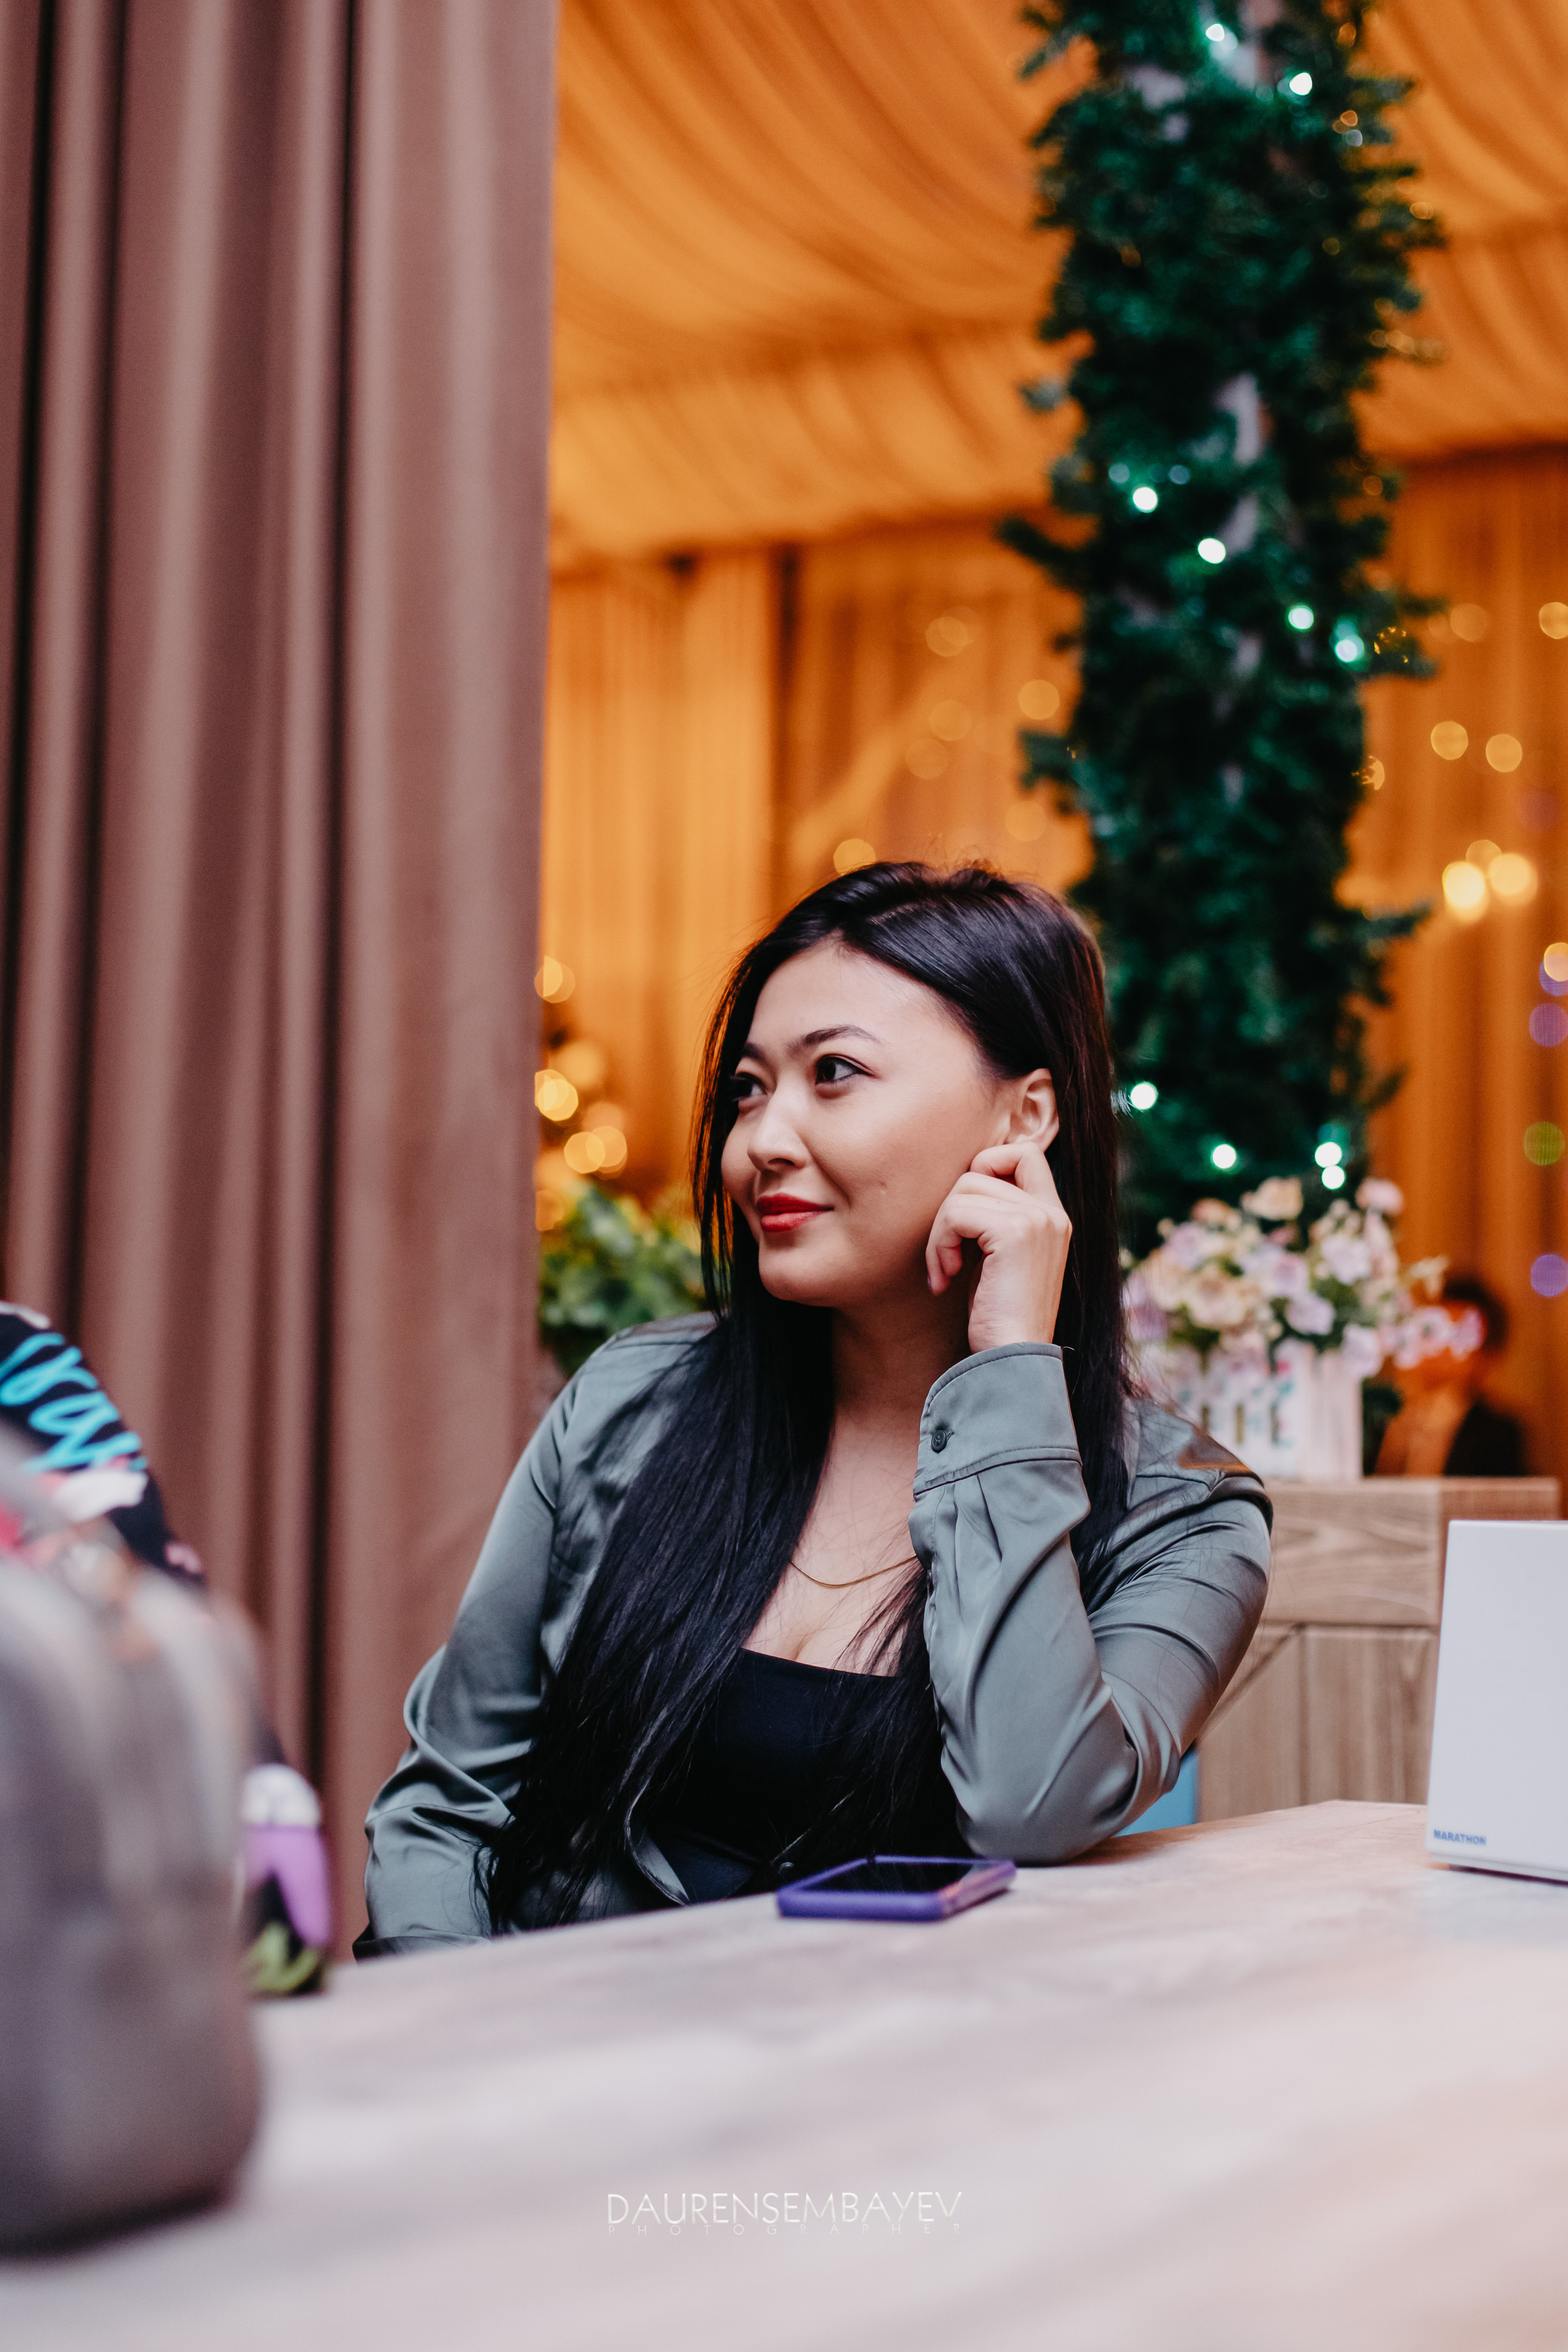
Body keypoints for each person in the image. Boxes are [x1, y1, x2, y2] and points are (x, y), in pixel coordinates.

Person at [358, 864, 1272, 1950]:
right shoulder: (630, 1402)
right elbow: (445, 1806)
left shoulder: (1185, 1515)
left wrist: (1008, 1372)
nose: (763, 1141)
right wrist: (464, 2047)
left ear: (1025, 1116)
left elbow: (1030, 1806)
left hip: (885, 2096)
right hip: (542, 2068)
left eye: (833, 1073)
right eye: (749, 1088)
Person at [1374, 1273, 1527, 1477]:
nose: (1438, 1347)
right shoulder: (1378, 1413)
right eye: (1430, 1331)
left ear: (1485, 1355)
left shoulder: (1497, 1433)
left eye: (1458, 1337)